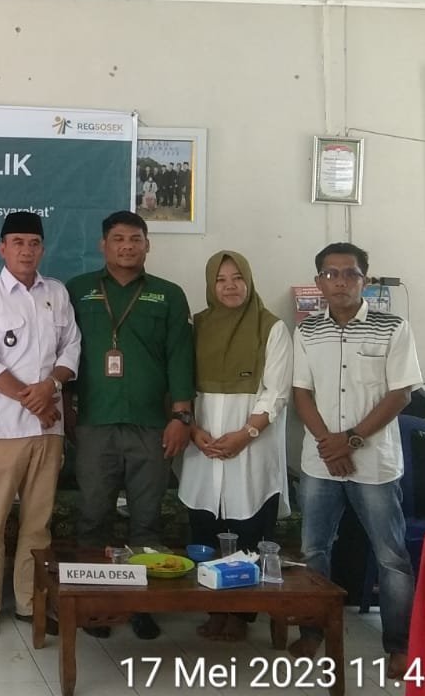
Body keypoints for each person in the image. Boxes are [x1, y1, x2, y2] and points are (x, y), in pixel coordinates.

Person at [289, 243, 421, 679]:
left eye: (350, 274)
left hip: (375, 464)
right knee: (314, 550)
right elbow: (301, 393)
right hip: (320, 462)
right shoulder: (307, 331)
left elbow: (401, 394)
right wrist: (329, 444)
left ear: (365, 280)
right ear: (318, 282)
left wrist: (351, 440)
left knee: (392, 557)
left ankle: (399, 646)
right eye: (330, 274)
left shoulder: (392, 327)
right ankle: (312, 632)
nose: (340, 282)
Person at [66, 210, 194, 641]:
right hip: (94, 422)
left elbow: (180, 356)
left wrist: (181, 416)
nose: (126, 246)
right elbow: (63, 351)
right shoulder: (78, 290)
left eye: (135, 239)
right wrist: (65, 411)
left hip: (151, 425)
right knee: (93, 516)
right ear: (103, 245)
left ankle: (143, 607)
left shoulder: (168, 295)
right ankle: (95, 606)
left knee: (147, 522)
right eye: (118, 238)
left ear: (147, 244)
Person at [0, 211, 81, 640]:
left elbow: (72, 349)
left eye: (33, 243)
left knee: (38, 525)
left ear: (42, 249)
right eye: (17, 242)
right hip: (1, 430)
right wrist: (35, 402)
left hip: (47, 432)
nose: (26, 251)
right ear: (2, 248)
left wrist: (50, 387)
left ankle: (30, 604)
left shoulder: (56, 293)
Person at [178, 250, 292, 641]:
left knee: (249, 528)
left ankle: (242, 614)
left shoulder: (271, 327)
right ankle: (214, 609)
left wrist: (246, 434)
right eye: (221, 279)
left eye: (237, 278)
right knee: (205, 527)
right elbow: (180, 382)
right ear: (210, 285)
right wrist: (193, 430)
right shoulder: (196, 326)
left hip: (253, 443)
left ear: (249, 280)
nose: (230, 286)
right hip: (203, 441)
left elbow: (276, 392)